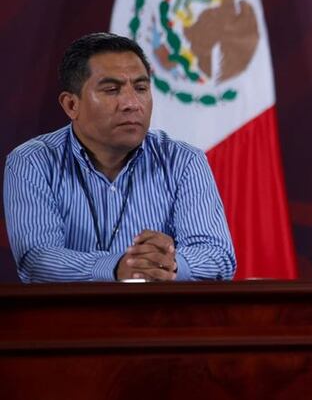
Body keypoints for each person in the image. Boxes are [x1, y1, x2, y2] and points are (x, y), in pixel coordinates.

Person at [3, 32, 236, 282]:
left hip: (161, 317)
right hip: (70, 318)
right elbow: (37, 260)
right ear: (71, 105)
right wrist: (116, 268)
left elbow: (218, 256)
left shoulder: (183, 161)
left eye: (141, 88)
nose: (132, 103)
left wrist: (170, 264)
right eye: (112, 90)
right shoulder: (32, 162)